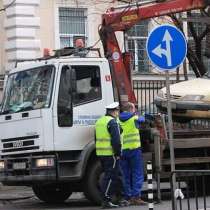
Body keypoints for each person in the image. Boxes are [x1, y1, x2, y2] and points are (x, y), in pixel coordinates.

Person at [95, 102, 128, 208]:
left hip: (101, 153)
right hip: (111, 154)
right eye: (117, 111)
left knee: (117, 175)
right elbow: (116, 141)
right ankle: (106, 199)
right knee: (110, 177)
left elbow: (95, 138)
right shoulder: (112, 122)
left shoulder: (99, 121)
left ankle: (121, 198)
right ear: (114, 111)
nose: (118, 113)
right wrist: (117, 153)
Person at [119, 102, 147, 205]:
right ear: (131, 109)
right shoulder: (134, 118)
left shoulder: (117, 119)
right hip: (134, 150)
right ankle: (136, 197)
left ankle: (127, 196)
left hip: (122, 151)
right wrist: (137, 114)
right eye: (134, 108)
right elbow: (143, 120)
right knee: (137, 173)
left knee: (125, 174)